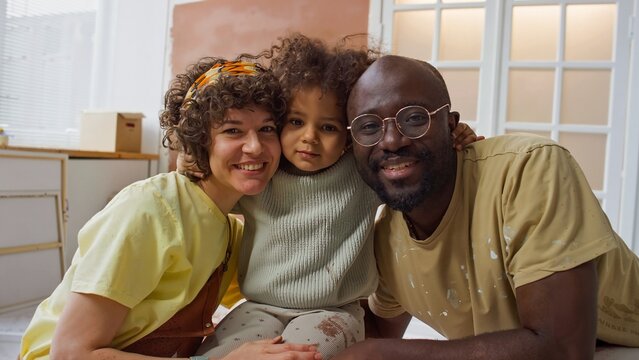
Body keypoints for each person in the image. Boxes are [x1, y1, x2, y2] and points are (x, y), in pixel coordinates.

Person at [193, 35, 482, 360]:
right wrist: (190, 159)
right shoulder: (263, 174)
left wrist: (454, 133)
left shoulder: (360, 175)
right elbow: (211, 183)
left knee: (300, 355)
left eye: (328, 127)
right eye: (296, 122)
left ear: (349, 136)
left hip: (331, 312)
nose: (309, 137)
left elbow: (412, 168)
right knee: (217, 355)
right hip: (258, 307)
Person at [332, 54, 639, 359]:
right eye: (369, 127)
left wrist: (390, 356)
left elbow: (564, 349)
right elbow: (376, 330)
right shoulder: (388, 234)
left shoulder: (529, 169)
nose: (391, 141)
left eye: (414, 118)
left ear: (452, 126)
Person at [19, 58, 321, 360]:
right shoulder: (150, 210)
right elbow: (71, 353)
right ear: (199, 141)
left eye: (267, 129)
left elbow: (285, 294)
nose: (255, 146)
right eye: (232, 130)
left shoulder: (231, 230)